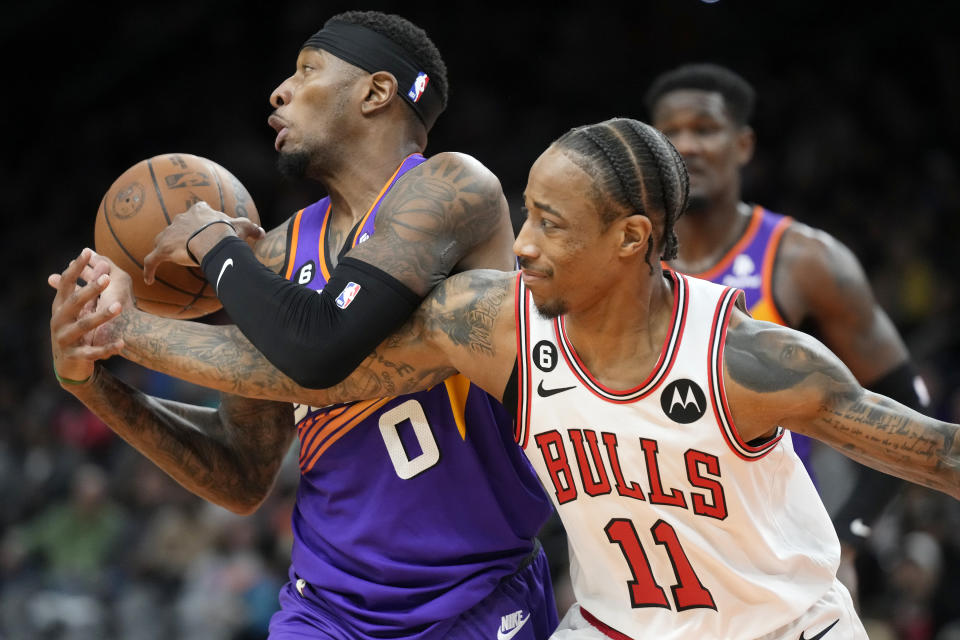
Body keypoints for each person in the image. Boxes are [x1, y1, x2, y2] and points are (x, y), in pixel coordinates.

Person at [55, 117, 960, 639]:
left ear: (631, 241)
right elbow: (314, 375)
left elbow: (937, 454)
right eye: (526, 212)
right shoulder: (487, 321)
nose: (521, 242)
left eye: (552, 224)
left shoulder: (751, 361)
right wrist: (119, 340)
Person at [49, 10, 558, 640]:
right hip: (325, 610)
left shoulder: (454, 188)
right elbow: (240, 473)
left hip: (474, 596)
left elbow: (319, 347)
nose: (279, 91)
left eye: (307, 70)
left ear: (376, 92)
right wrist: (92, 379)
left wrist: (193, 264)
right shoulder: (272, 257)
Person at [643, 62, 930, 584]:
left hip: (780, 557)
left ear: (744, 145)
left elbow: (906, 397)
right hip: (656, 556)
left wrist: (849, 537)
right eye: (671, 132)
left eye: (704, 130)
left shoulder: (804, 260)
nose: (687, 144)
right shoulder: (624, 259)